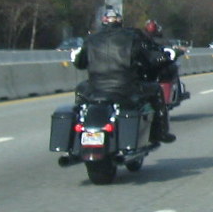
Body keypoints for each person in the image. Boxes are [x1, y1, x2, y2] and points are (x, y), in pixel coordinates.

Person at [72, 9, 176, 143]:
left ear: (103, 22)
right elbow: (149, 60)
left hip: (95, 89)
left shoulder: (91, 39)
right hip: (126, 88)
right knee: (156, 90)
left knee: (80, 91)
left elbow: (80, 64)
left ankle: (78, 131)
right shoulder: (132, 38)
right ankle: (161, 133)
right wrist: (163, 58)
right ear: (120, 22)